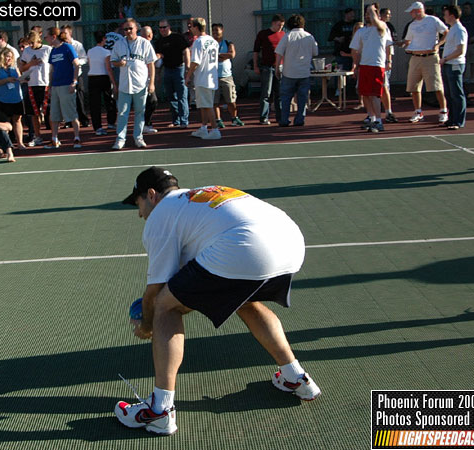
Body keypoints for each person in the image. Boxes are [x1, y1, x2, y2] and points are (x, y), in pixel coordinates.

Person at [115, 167, 321, 435]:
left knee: (166, 307)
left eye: (138, 204)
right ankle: (296, 377)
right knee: (244, 300)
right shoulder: (200, 197)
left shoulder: (160, 216)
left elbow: (156, 291)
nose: (140, 213)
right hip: (290, 242)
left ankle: (159, 411)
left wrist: (147, 322)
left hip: (245, 246)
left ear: (151, 195)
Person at [110, 18, 156, 149]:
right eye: (126, 29)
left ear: (136, 29)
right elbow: (113, 61)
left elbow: (151, 64)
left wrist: (151, 82)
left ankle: (138, 137)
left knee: (140, 112)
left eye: (130, 28)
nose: (128, 31)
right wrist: (120, 63)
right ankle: (120, 139)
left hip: (140, 84)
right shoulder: (119, 44)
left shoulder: (144, 43)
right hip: (125, 84)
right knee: (123, 113)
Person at [402, 1, 449, 124]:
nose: (411, 14)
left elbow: (446, 33)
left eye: (412, 11)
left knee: (437, 86)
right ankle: (418, 112)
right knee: (414, 87)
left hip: (431, 58)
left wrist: (438, 45)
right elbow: (407, 41)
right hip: (415, 58)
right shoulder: (412, 25)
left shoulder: (433, 20)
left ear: (418, 11)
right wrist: (403, 44)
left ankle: (443, 111)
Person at [350, 3, 393, 133]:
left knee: (374, 95)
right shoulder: (361, 31)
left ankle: (379, 121)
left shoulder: (382, 27)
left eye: (372, 13)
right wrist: (356, 65)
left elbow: (388, 46)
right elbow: (355, 49)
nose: (369, 15)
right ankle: (372, 118)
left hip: (377, 65)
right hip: (364, 65)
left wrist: (389, 60)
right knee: (365, 94)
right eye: (367, 13)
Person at [275, 14, 318, 127]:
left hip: (289, 72)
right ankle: (299, 119)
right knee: (302, 98)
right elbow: (315, 52)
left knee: (285, 98)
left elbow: (279, 53)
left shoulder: (287, 36)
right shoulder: (309, 36)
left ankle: (284, 120)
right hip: (304, 72)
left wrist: (277, 68)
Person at [45, 27, 82, 149]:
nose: (46, 39)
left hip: (67, 85)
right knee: (54, 115)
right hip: (55, 86)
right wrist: (50, 86)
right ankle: (54, 139)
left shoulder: (67, 47)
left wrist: (74, 82)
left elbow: (77, 65)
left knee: (71, 114)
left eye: (47, 37)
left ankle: (77, 138)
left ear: (53, 36)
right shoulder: (53, 51)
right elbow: (52, 70)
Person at [185, 18, 220, 140]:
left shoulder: (199, 42)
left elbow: (195, 62)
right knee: (204, 104)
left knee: (207, 105)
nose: (190, 29)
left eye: (191, 27)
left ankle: (215, 129)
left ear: (196, 27)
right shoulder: (213, 41)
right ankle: (204, 128)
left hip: (203, 78)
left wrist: (188, 75)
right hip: (211, 78)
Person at [155, 19, 190, 128]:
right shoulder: (159, 41)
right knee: (171, 97)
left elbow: (186, 51)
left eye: (164, 27)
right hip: (167, 70)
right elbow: (159, 57)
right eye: (160, 28)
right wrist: (158, 73)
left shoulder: (178, 37)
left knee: (182, 96)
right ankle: (176, 120)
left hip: (179, 69)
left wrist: (187, 68)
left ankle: (184, 121)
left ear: (169, 27)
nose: (162, 30)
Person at [19, 29, 52, 146]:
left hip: (45, 84)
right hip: (32, 85)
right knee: (34, 113)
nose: (31, 45)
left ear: (39, 40)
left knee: (49, 112)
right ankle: (38, 136)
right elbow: (22, 68)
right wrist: (30, 64)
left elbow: (53, 66)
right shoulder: (27, 51)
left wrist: (52, 82)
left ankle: (54, 136)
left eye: (33, 42)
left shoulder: (47, 49)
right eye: (30, 42)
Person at [0, 48, 26, 150]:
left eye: (11, 56)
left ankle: (20, 142)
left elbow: (19, 78)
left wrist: (24, 79)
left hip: (16, 98)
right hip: (2, 99)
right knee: (4, 122)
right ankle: (6, 144)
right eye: (7, 56)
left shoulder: (14, 68)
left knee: (17, 120)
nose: (9, 58)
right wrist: (6, 80)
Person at [253, 15, 285, 125]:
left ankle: (280, 117)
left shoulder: (283, 35)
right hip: (267, 67)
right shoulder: (263, 34)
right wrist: (255, 65)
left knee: (279, 93)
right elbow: (256, 51)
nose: (280, 28)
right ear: (273, 23)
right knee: (266, 92)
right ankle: (263, 117)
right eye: (278, 25)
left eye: (282, 26)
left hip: (279, 67)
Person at [441, 4, 468, 130]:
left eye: (446, 15)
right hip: (448, 64)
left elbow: (460, 50)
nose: (444, 17)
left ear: (452, 15)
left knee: (457, 93)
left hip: (455, 65)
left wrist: (446, 58)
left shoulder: (459, 30)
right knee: (450, 94)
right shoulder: (452, 29)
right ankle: (452, 119)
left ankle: (458, 121)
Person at [212, 23, 244, 128]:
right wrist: (222, 56)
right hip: (213, 77)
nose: (215, 33)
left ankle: (234, 118)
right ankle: (218, 120)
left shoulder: (228, 43)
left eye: (217, 30)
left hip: (226, 76)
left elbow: (231, 54)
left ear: (222, 30)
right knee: (215, 101)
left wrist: (219, 55)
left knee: (231, 99)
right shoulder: (210, 44)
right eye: (213, 30)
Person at [87, 31, 117, 136]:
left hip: (92, 78)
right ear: (103, 39)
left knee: (95, 104)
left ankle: (98, 127)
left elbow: (90, 64)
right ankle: (111, 122)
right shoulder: (106, 52)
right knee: (109, 100)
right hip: (103, 78)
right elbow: (109, 69)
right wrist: (114, 83)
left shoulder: (90, 51)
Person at [61, 25, 90, 127]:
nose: (63, 35)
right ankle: (69, 121)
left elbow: (84, 58)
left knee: (79, 98)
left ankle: (84, 119)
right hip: (65, 76)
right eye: (62, 33)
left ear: (70, 33)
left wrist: (76, 63)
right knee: (66, 100)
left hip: (77, 75)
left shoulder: (77, 45)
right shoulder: (61, 46)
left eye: (65, 33)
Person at [140, 25, 160, 134]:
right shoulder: (145, 44)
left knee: (151, 101)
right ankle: (144, 124)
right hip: (143, 78)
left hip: (146, 77)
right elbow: (151, 62)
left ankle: (146, 123)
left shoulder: (147, 44)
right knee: (151, 101)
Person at [380, 8, 398, 123]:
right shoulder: (369, 28)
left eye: (389, 14)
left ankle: (388, 112)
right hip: (372, 63)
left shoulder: (387, 27)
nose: (389, 16)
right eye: (387, 14)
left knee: (385, 86)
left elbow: (389, 45)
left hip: (383, 62)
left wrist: (389, 60)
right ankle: (372, 114)